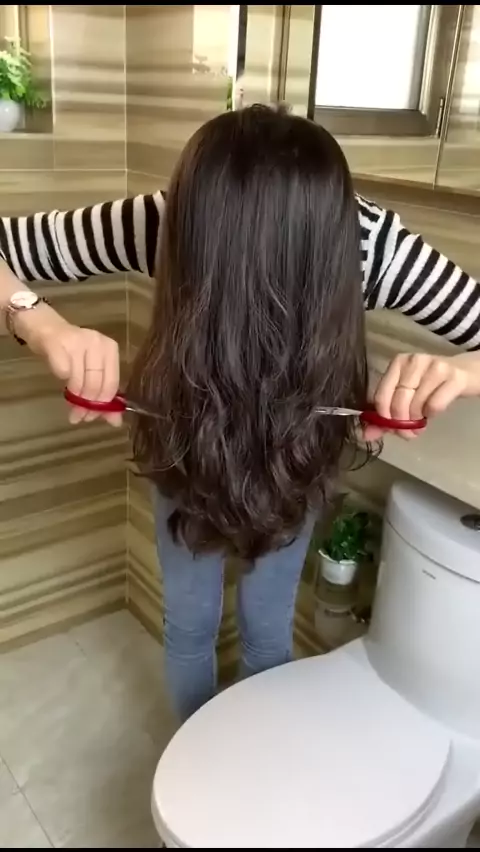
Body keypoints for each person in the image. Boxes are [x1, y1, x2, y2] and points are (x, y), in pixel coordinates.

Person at [1, 105, 480, 721]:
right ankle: (196, 753)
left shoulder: (369, 244)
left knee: (266, 630)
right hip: (186, 445)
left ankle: (254, 753)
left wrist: (460, 373)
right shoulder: (163, 219)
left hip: (296, 458)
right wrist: (40, 323)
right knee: (190, 624)